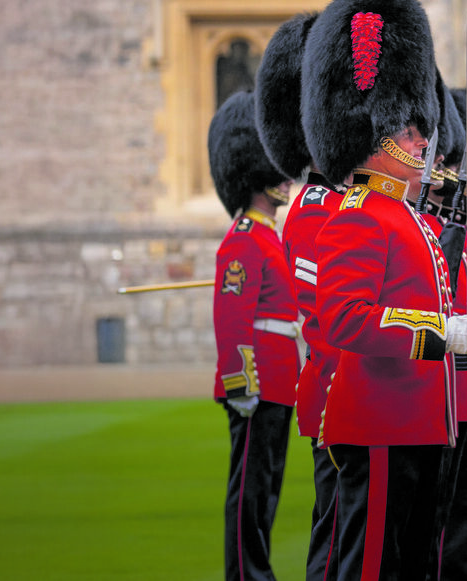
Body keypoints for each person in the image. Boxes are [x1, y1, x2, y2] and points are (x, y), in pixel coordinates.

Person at [300, 0, 467, 581]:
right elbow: (346, 318)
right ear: (378, 137)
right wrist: (444, 333)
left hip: (418, 420)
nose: (421, 141)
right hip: (379, 421)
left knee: (412, 563)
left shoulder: (404, 217)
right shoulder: (360, 216)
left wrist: (466, 331)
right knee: (371, 566)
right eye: (411, 132)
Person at [253, 11, 344, 581]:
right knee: (337, 537)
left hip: (362, 394)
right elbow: (328, 311)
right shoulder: (314, 207)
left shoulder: (344, 204)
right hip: (337, 392)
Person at [208, 89, 300, 581]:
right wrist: (241, 383)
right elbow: (233, 318)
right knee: (248, 493)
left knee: (266, 490)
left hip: (280, 380)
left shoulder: (267, 238)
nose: (288, 180)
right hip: (258, 384)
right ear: (257, 174)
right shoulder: (245, 240)